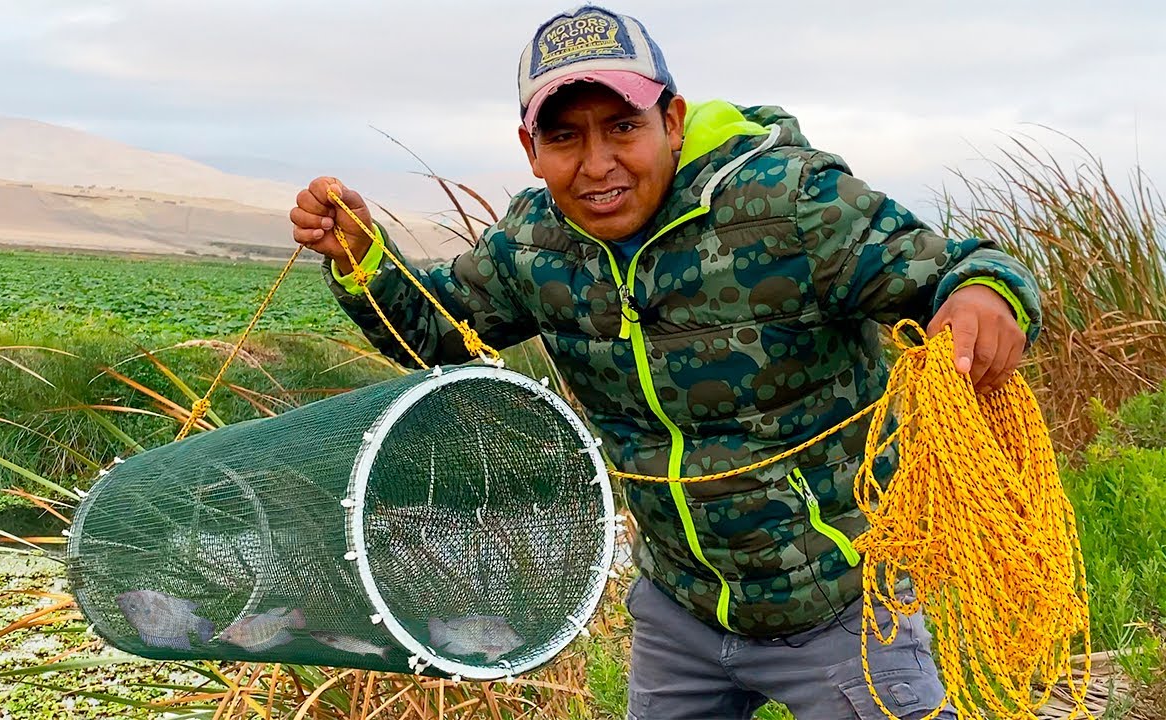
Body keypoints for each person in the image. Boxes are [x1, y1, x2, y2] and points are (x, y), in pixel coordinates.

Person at [290, 6, 1040, 719]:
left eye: (624, 127)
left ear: (672, 121)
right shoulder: (534, 244)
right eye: (564, 138)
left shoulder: (789, 206)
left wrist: (987, 296)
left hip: (844, 610)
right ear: (530, 149)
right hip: (677, 612)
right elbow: (437, 328)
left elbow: (959, 268)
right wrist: (362, 259)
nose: (597, 165)